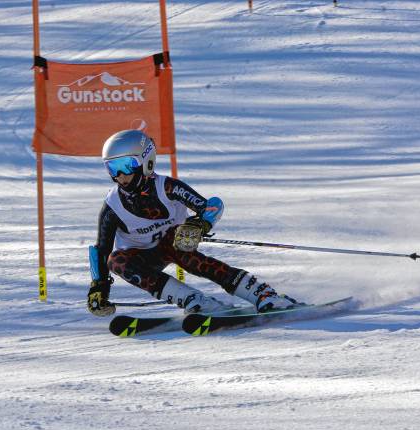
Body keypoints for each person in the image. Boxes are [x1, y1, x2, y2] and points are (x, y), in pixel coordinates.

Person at [87, 129, 299, 317]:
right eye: (113, 167)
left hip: (177, 244)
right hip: (142, 258)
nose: (121, 176)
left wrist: (200, 225)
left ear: (146, 161)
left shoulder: (167, 188)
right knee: (116, 260)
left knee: (180, 241)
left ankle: (261, 293)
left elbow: (212, 206)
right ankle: (193, 299)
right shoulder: (113, 205)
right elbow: (101, 250)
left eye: (127, 165)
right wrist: (99, 287)